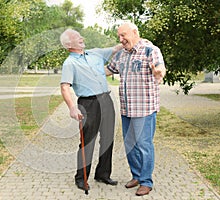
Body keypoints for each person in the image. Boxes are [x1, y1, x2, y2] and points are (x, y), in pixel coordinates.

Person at [106, 22, 166, 196]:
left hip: (144, 109)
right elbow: (109, 70)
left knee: (143, 145)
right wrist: (87, 71)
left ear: (134, 32)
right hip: (127, 108)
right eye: (119, 36)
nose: (121, 39)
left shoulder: (150, 50)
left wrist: (159, 73)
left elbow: (160, 68)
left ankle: (146, 181)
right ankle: (137, 175)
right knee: (130, 145)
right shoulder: (121, 54)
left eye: (123, 35)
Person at [59, 28, 120, 191]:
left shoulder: (96, 53)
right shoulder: (69, 63)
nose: (81, 38)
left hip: (106, 100)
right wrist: (72, 108)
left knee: (108, 139)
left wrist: (136, 41)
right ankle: (81, 178)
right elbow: (65, 87)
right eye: (77, 37)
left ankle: (103, 174)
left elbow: (116, 49)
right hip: (88, 104)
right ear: (68, 44)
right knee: (88, 143)